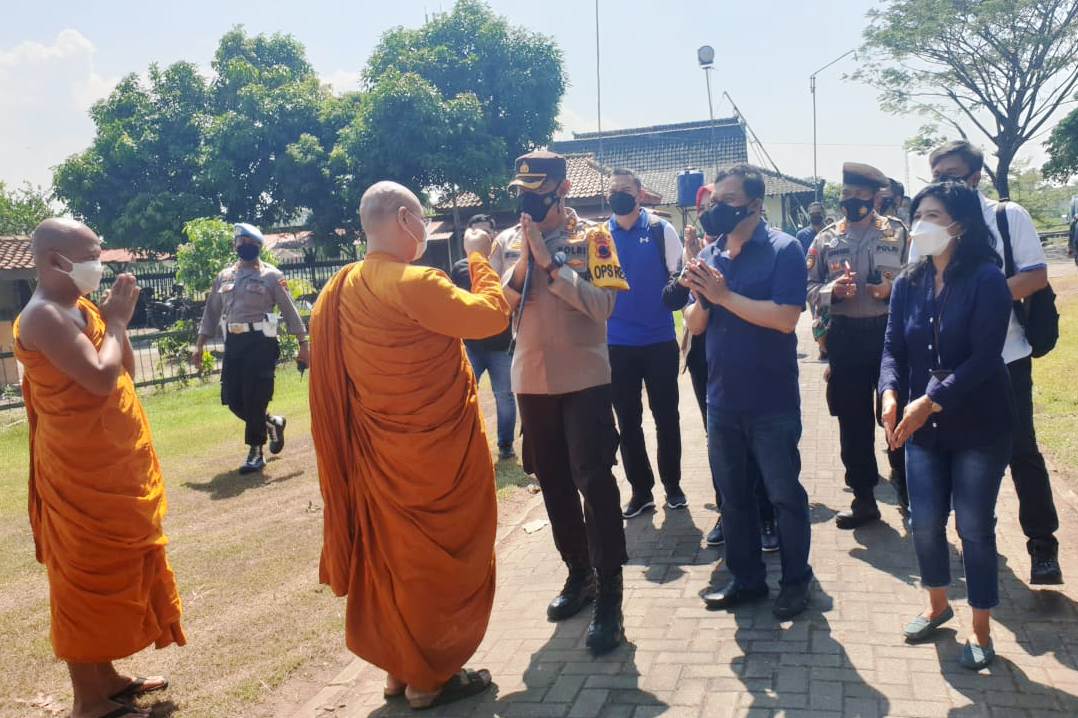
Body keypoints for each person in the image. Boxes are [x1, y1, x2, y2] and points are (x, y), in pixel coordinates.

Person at [309, 181, 510, 709]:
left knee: (395, 560)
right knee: (438, 563)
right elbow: (491, 316)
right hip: (435, 458)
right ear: (404, 219)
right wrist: (478, 256)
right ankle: (430, 677)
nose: (425, 229)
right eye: (421, 219)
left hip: (381, 456)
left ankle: (401, 669)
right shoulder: (415, 280)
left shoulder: (342, 288)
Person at [14, 219, 185, 718]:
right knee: (84, 580)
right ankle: (88, 699)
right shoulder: (43, 316)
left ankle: (107, 676)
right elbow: (95, 378)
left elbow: (123, 372)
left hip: (113, 466)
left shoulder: (80, 307)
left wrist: (114, 326)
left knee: (119, 570)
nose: (99, 262)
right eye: (91, 253)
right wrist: (116, 324)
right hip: (78, 475)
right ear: (53, 261)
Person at [880, 181, 1014, 670]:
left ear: (960, 224)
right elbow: (893, 346)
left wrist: (928, 402)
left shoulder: (986, 278)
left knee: (974, 527)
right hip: (923, 429)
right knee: (924, 523)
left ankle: (981, 629)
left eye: (933, 215)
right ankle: (938, 605)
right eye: (918, 214)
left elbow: (984, 358)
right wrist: (892, 392)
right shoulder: (908, 282)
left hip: (979, 424)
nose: (921, 225)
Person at [499, 150, 629, 655]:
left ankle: (611, 596)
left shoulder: (595, 238)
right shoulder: (508, 243)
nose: (529, 201)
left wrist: (552, 265)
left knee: (594, 482)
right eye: (523, 191)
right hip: (531, 379)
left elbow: (603, 307)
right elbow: (497, 309)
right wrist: (525, 261)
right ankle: (579, 574)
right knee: (551, 480)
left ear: (562, 188)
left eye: (538, 190)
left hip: (584, 379)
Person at [920, 140, 1062, 585]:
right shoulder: (933, 225)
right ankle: (977, 543)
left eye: (955, 173)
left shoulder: (1006, 216)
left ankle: (1043, 547)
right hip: (951, 366)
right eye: (938, 174)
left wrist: (979, 300)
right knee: (960, 454)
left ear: (976, 176)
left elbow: (1036, 276)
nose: (946, 182)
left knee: (1021, 452)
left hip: (1006, 358)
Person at [682, 164, 813, 620]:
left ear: (755, 204)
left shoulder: (784, 249)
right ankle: (747, 579)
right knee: (733, 496)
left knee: (783, 495)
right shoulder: (712, 254)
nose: (717, 207)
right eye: (715, 198)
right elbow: (695, 324)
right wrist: (700, 300)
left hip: (771, 401)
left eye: (728, 199)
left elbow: (785, 318)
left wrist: (723, 297)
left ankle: (797, 581)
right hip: (722, 400)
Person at [663, 185, 779, 552]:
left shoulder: (751, 250)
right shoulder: (701, 254)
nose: (710, 212)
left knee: (756, 439)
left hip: (749, 358)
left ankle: (766, 515)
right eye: (705, 207)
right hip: (705, 358)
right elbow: (672, 300)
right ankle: (727, 513)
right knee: (720, 441)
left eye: (717, 204)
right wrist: (691, 270)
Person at [807, 162, 910, 528]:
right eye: (846, 194)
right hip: (846, 336)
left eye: (859, 195)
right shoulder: (826, 239)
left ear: (874, 197)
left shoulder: (898, 234)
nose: (850, 201)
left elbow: (920, 282)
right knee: (853, 420)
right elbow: (808, 287)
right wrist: (830, 292)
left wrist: (891, 290)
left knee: (896, 412)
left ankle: (908, 490)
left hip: (888, 333)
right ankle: (864, 498)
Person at [192, 223, 309, 474]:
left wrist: (303, 343)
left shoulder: (272, 276)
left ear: (258, 246)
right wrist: (200, 344)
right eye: (241, 243)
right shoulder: (224, 277)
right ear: (235, 245)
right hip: (234, 343)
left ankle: (256, 452)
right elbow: (211, 312)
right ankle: (272, 423)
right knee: (233, 399)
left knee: (256, 398)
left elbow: (289, 310)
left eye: (251, 243)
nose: (245, 247)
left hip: (261, 343)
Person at [605, 168, 687, 517]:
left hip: (659, 340)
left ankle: (673, 486)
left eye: (626, 190)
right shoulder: (599, 237)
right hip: (616, 343)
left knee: (666, 417)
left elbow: (679, 277)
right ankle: (641, 491)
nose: (619, 195)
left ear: (640, 194)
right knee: (627, 420)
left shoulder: (659, 230)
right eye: (614, 191)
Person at [451, 214, 517, 461]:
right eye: (475, 232)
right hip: (471, 345)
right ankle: (466, 443)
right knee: (464, 394)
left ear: (493, 236)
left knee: (505, 396)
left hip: (501, 345)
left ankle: (506, 445)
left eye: (486, 233)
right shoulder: (459, 268)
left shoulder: (503, 266)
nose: (481, 237)